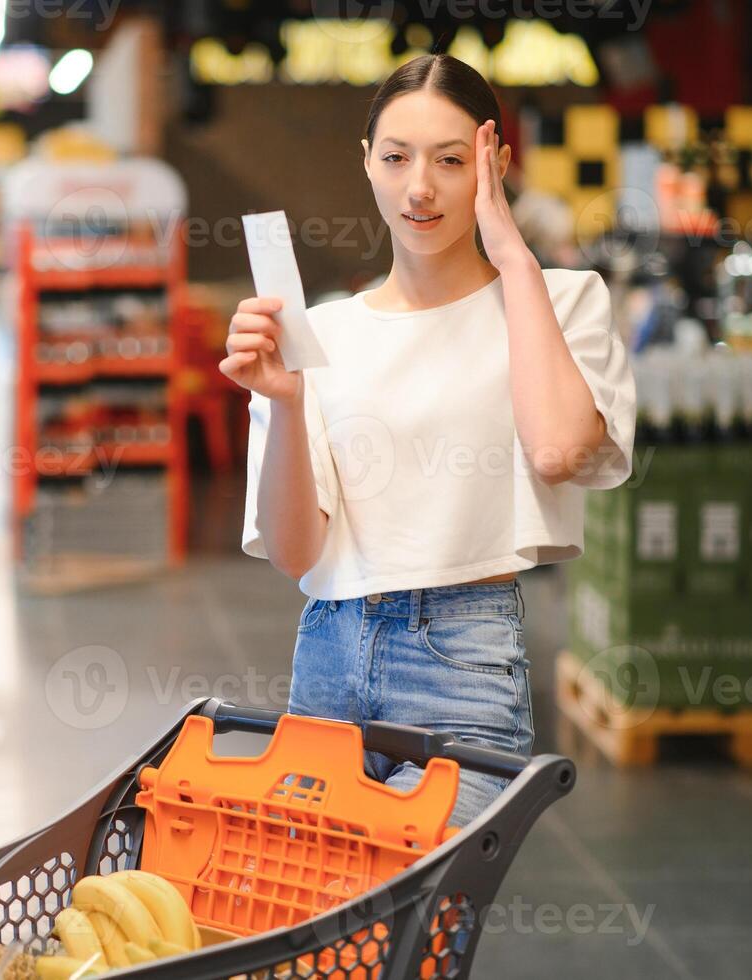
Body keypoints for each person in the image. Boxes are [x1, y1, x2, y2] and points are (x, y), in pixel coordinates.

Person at [222, 55, 636, 827]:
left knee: (421, 925)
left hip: (464, 660)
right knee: (325, 935)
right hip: (327, 654)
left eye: (451, 161)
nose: (420, 187)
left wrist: (512, 254)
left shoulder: (559, 301)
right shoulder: (323, 333)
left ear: (496, 165)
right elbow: (294, 554)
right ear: (367, 164)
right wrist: (281, 401)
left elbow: (558, 451)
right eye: (396, 158)